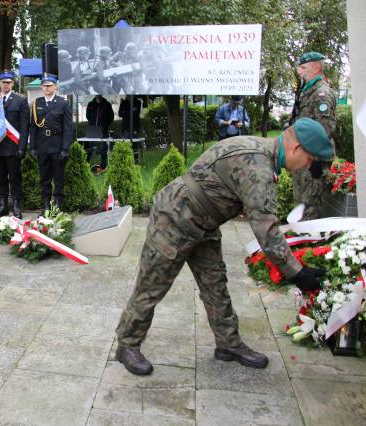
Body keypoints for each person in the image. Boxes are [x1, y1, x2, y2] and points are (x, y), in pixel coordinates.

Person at [114, 118, 333, 376]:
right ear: (296, 148)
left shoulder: (262, 150)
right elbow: (266, 230)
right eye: (309, 160)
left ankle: (228, 344)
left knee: (215, 285)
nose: (306, 167)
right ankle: (127, 345)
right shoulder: (258, 167)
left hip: (203, 223)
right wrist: (297, 273)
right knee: (152, 285)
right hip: (173, 220)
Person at [289, 52, 336, 220]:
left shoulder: (321, 94)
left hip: (313, 159)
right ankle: (301, 239)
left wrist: (315, 159)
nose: (299, 72)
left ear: (316, 68)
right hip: (303, 156)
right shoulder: (307, 91)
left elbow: (325, 129)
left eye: (303, 68)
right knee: (301, 201)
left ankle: (310, 242)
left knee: (310, 205)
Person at [29, 72, 73, 216]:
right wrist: (33, 146)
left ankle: (58, 206)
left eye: (49, 86)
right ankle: (46, 206)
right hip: (42, 146)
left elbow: (68, 128)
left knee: (59, 178)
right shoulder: (37, 103)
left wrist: (65, 148)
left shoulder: (63, 104)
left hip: (57, 145)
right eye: (44, 86)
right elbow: (33, 127)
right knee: (44, 178)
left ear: (55, 86)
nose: (47, 88)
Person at [0, 70, 29, 219]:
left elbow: (25, 126)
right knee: (0, 177)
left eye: (8, 82)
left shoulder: (20, 101)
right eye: (3, 82)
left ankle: (16, 205)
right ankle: (3, 205)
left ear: (12, 83)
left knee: (15, 177)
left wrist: (22, 147)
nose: (6, 85)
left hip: (14, 146)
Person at [85, 95, 114, 170]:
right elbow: (87, 116)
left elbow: (111, 117)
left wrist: (105, 125)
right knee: (89, 149)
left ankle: (102, 167)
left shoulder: (107, 104)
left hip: (104, 131)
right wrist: (92, 124)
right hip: (93, 129)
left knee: (104, 150)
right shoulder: (90, 104)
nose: (98, 95)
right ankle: (87, 166)